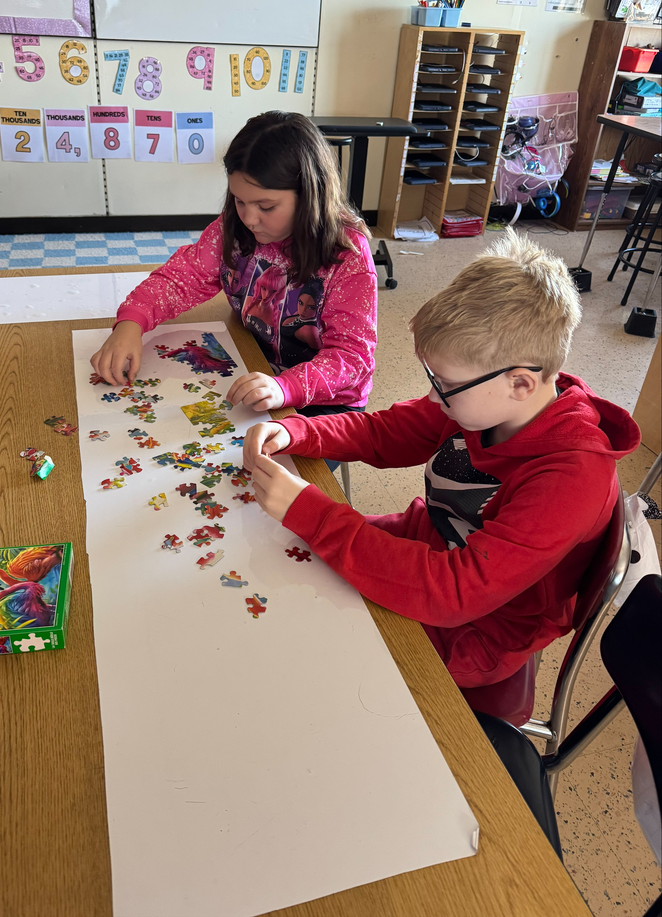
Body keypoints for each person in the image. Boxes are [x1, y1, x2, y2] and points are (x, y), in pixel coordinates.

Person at [243, 231, 641, 690]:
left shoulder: (572, 477)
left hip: (479, 629)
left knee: (305, 663)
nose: (434, 395)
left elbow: (453, 592)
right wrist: (297, 429)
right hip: (426, 546)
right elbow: (384, 433)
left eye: (445, 383)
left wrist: (311, 512)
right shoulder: (483, 400)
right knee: (283, 573)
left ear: (520, 384)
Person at [90, 111, 377, 422]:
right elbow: (180, 280)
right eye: (239, 201)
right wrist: (131, 323)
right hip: (250, 363)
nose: (249, 219)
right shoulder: (234, 229)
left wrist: (285, 388)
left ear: (310, 195)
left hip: (325, 404)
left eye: (266, 206)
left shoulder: (348, 256)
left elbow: (351, 357)